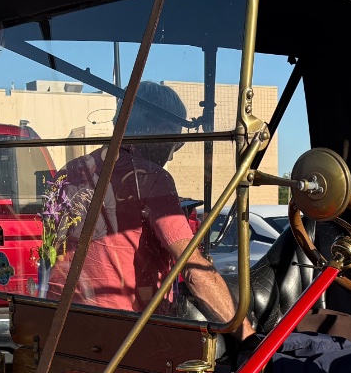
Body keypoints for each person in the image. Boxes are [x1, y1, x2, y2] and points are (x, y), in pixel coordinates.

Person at [49, 82, 237, 326]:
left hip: (57, 318)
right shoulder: (151, 177)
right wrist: (247, 335)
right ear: (163, 132)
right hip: (123, 327)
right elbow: (193, 270)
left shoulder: (69, 172)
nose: (172, 154)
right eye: (176, 143)